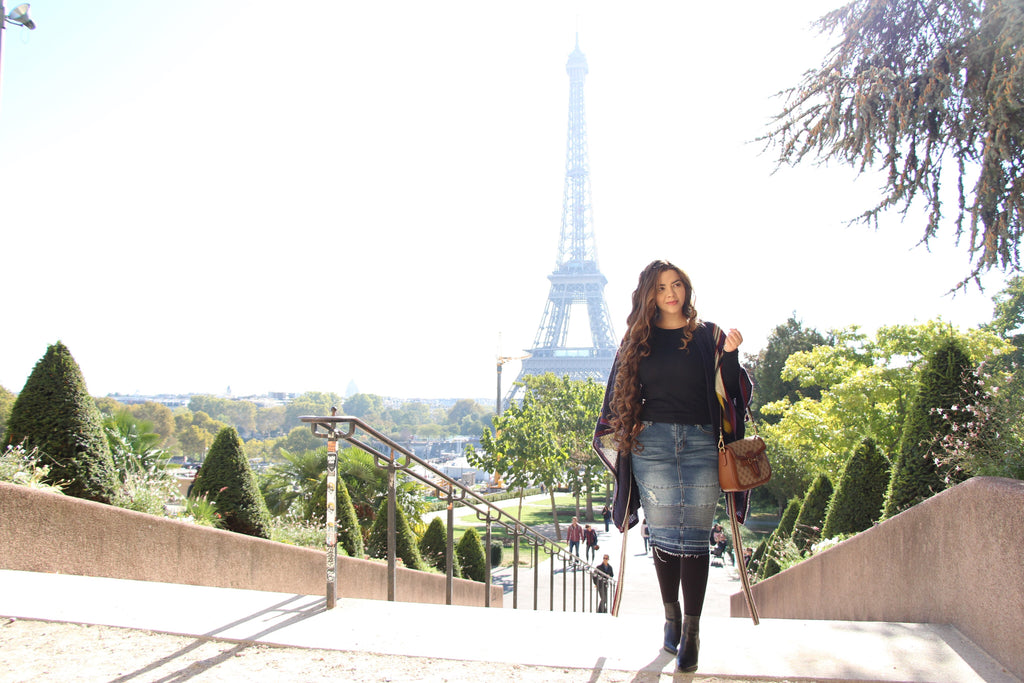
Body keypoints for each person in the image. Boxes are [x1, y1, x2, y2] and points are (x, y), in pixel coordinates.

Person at [592, 260, 752, 674]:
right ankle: (671, 617)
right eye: (662, 286)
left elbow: (733, 392)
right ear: (649, 293)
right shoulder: (636, 340)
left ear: (686, 288)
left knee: (695, 539)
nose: (670, 293)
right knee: (664, 538)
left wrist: (731, 356)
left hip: (702, 443)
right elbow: (616, 400)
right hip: (653, 446)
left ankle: (693, 632)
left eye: (677, 284)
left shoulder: (708, 336)